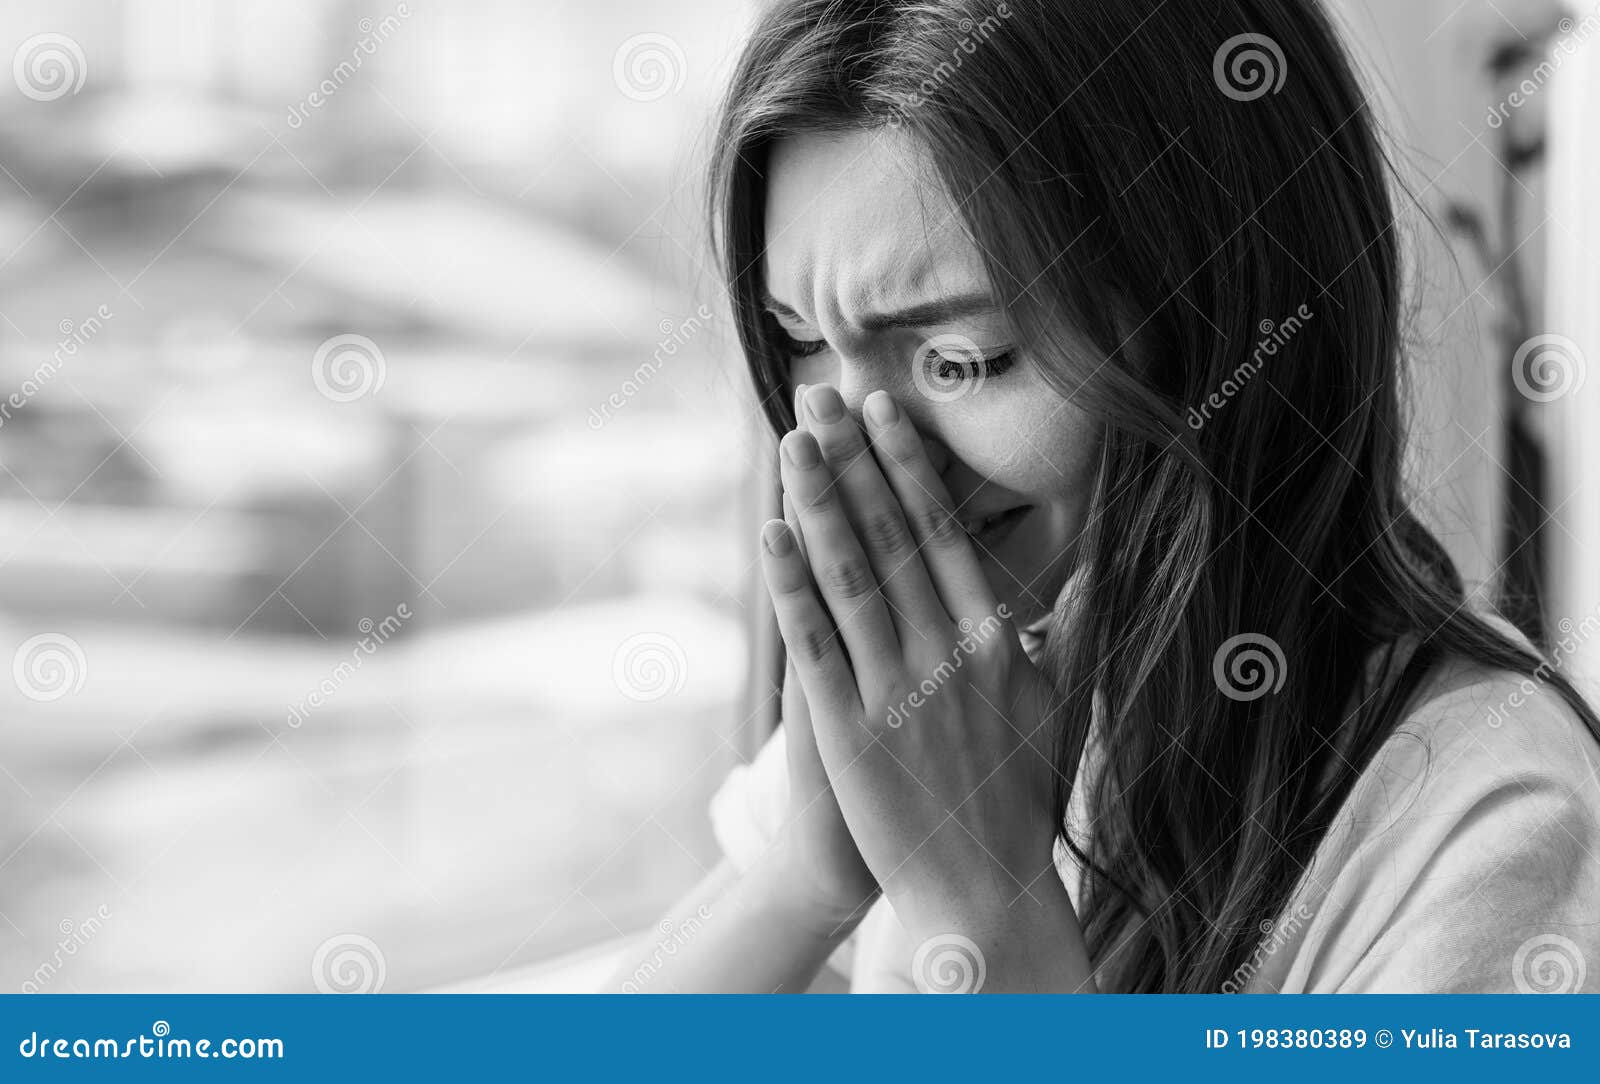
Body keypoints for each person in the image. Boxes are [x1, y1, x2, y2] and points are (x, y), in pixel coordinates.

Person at [606, 0, 1600, 993]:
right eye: (800, 340)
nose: (855, 446)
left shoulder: (1491, 827)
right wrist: (812, 875)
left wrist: (987, 909)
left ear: (1217, 324)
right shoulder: (964, 682)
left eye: (963, 359)